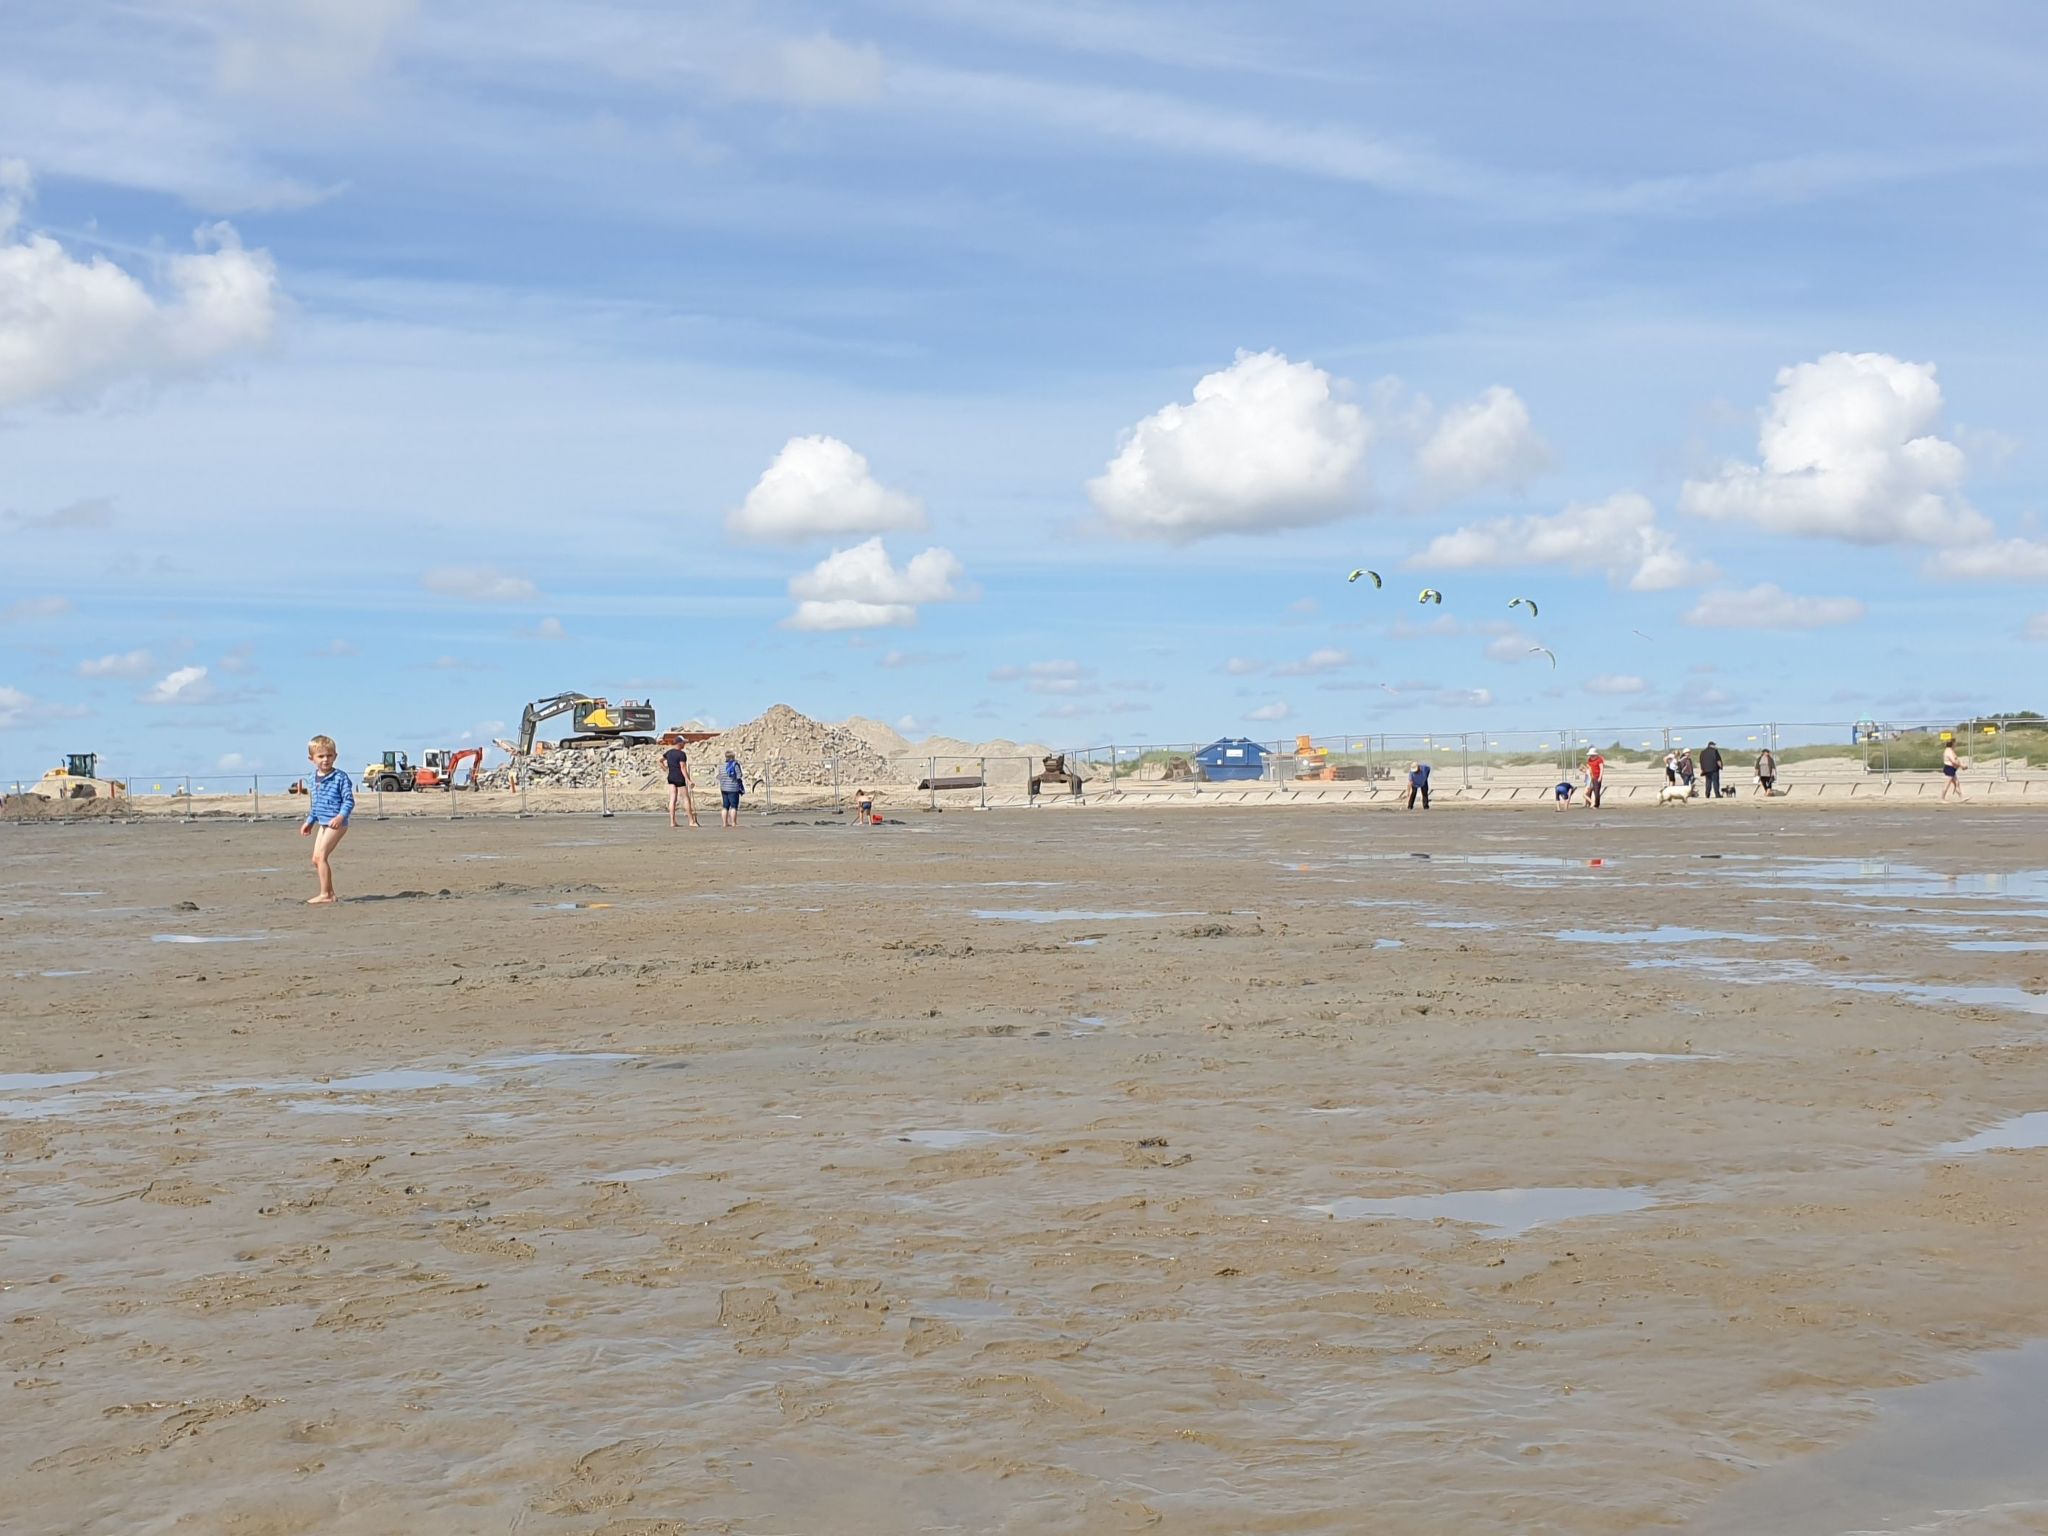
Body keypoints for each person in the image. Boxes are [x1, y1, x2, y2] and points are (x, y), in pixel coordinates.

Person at [299, 734, 354, 905]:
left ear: (335, 756)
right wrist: (309, 821)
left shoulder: (340, 777)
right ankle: (330, 892)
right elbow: (316, 804)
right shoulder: (312, 778)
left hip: (337, 823)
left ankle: (325, 895)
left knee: (322, 856)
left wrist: (340, 817)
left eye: (329, 755)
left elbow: (349, 801)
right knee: (316, 859)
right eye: (321, 756)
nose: (325, 759)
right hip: (322, 822)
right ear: (312, 759)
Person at [662, 741, 699, 829]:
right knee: (686, 798)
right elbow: (683, 768)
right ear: (679, 743)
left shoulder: (669, 752)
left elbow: (659, 760)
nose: (684, 744)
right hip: (679, 777)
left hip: (671, 777)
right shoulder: (681, 754)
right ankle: (691, 821)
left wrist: (665, 768)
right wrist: (689, 780)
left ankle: (672, 822)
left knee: (672, 799)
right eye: (683, 743)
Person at [718, 749, 745, 828]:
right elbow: (739, 776)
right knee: (733, 806)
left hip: (723, 788)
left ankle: (725, 823)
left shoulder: (722, 765)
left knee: (725, 806)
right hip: (733, 788)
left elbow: (719, 776)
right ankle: (733, 823)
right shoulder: (735, 765)